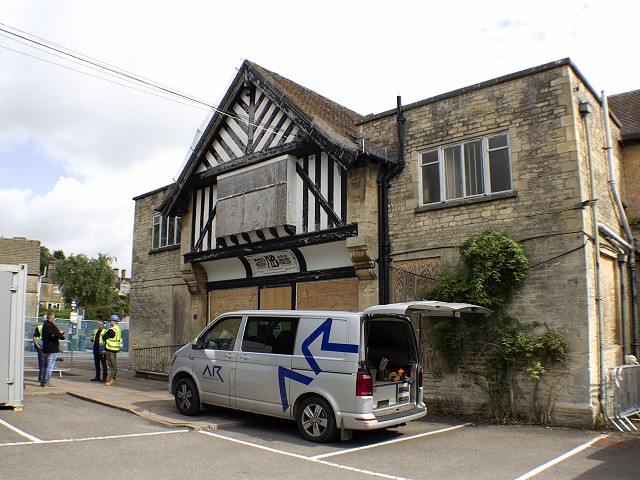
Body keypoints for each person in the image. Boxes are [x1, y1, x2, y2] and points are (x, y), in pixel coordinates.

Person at [41, 313, 65, 387]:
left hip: (45, 348)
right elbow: (60, 335)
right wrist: (61, 334)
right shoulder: (52, 326)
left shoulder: (44, 326)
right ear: (52, 318)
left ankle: (42, 381)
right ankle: (47, 381)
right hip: (52, 348)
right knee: (49, 366)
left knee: (44, 366)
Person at [102, 314, 122, 386]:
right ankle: (112, 379)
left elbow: (104, 337)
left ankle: (112, 380)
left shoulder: (112, 330)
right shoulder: (118, 329)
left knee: (112, 365)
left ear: (114, 321)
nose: (110, 322)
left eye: (110, 321)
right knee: (113, 365)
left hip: (110, 349)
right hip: (115, 349)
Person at [32, 317, 45, 385]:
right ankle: (42, 378)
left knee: (42, 363)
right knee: (44, 364)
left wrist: (37, 345)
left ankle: (41, 378)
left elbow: (34, 337)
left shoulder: (39, 327)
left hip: (41, 346)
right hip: (44, 346)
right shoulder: (41, 327)